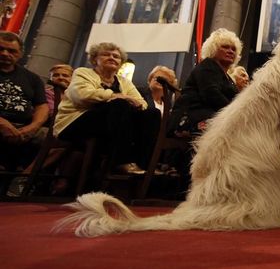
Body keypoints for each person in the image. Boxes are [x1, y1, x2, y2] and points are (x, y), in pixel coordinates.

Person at [53, 42, 160, 175]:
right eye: (106, 54)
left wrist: (128, 101)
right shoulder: (83, 73)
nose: (112, 58)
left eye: (116, 56)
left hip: (109, 123)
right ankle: (121, 162)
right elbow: (81, 95)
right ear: (94, 59)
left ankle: (145, 165)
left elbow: (141, 103)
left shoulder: (123, 81)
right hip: (75, 121)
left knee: (152, 113)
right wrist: (117, 96)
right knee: (119, 104)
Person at [168, 28, 242, 137]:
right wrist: (235, 112)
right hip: (190, 118)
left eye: (233, 49)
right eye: (225, 47)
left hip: (211, 116)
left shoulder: (227, 77)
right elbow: (211, 95)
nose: (231, 51)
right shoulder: (207, 66)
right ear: (213, 49)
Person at [0, 31, 49, 171]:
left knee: (58, 141)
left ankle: (23, 179)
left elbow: (42, 106)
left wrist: (33, 127)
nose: (4, 53)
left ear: (20, 54)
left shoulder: (32, 78)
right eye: (1, 49)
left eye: (11, 51)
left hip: (23, 127)